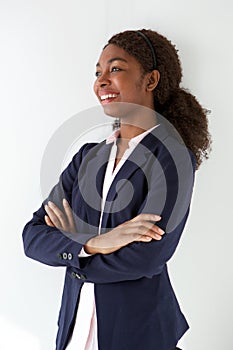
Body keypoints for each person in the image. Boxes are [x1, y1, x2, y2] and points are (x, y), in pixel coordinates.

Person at [22, 29, 211, 350]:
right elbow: (32, 237)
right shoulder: (87, 157)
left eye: (115, 69)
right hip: (75, 328)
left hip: (139, 332)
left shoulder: (173, 158)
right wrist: (96, 243)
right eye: (98, 72)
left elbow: (147, 258)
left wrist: (74, 252)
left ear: (150, 81)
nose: (101, 81)